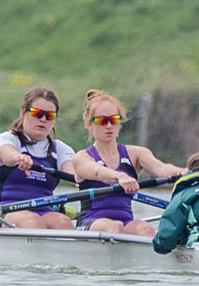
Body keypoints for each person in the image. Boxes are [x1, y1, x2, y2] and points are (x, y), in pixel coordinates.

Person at [72, 90, 185, 237]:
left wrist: (185, 172)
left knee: (146, 229)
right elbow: (98, 172)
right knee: (115, 228)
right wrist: (119, 176)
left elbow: (162, 169)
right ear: (89, 124)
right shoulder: (82, 157)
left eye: (114, 120)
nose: (108, 126)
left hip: (125, 221)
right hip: (91, 221)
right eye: (101, 121)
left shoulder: (136, 154)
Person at [0, 87, 75, 229]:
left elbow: (74, 173)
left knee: (64, 223)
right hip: (3, 211)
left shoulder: (60, 149)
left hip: (44, 211)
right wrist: (18, 157)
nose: (43, 120)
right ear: (23, 113)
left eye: (49, 116)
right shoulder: (9, 139)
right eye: (37, 114)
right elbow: (4, 153)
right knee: (32, 221)